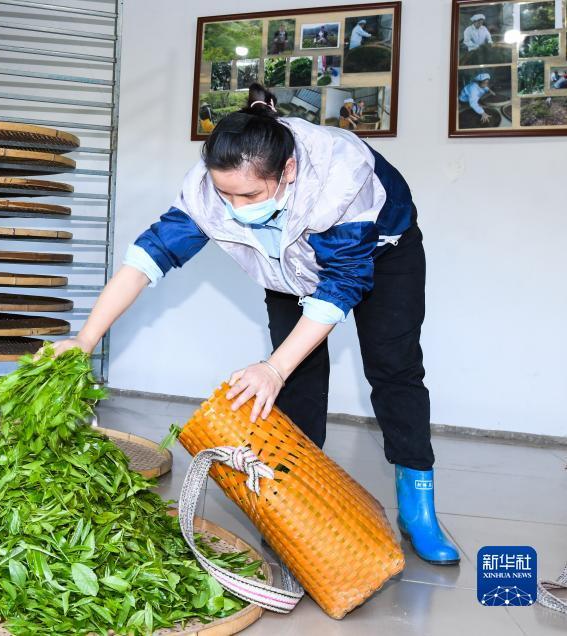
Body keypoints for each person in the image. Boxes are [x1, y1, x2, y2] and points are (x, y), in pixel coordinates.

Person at [50, 83, 460, 567]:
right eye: (225, 193)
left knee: (394, 368)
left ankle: (417, 507)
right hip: (286, 268)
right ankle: (294, 502)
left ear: (288, 171)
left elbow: (342, 285)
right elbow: (144, 261)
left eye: (249, 195)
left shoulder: (339, 176)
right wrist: (85, 339)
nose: (236, 208)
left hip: (383, 254)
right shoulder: (209, 189)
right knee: (297, 383)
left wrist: (273, 366)